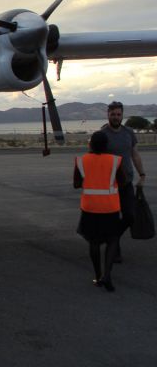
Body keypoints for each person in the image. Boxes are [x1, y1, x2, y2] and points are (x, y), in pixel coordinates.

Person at [74, 131, 126, 292]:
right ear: (106, 145)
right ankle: (107, 274)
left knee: (94, 242)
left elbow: (76, 184)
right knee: (112, 240)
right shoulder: (116, 161)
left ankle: (97, 276)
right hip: (110, 207)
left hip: (90, 208)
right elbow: (123, 182)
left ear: (90, 144)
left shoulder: (81, 161)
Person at [100, 101, 147, 261]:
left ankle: (112, 239)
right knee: (113, 219)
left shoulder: (128, 132)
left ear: (122, 115)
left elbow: (134, 154)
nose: (115, 117)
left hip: (126, 182)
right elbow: (95, 157)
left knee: (130, 216)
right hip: (109, 185)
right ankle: (115, 250)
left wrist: (142, 174)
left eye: (118, 114)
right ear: (108, 115)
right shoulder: (102, 134)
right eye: (112, 114)